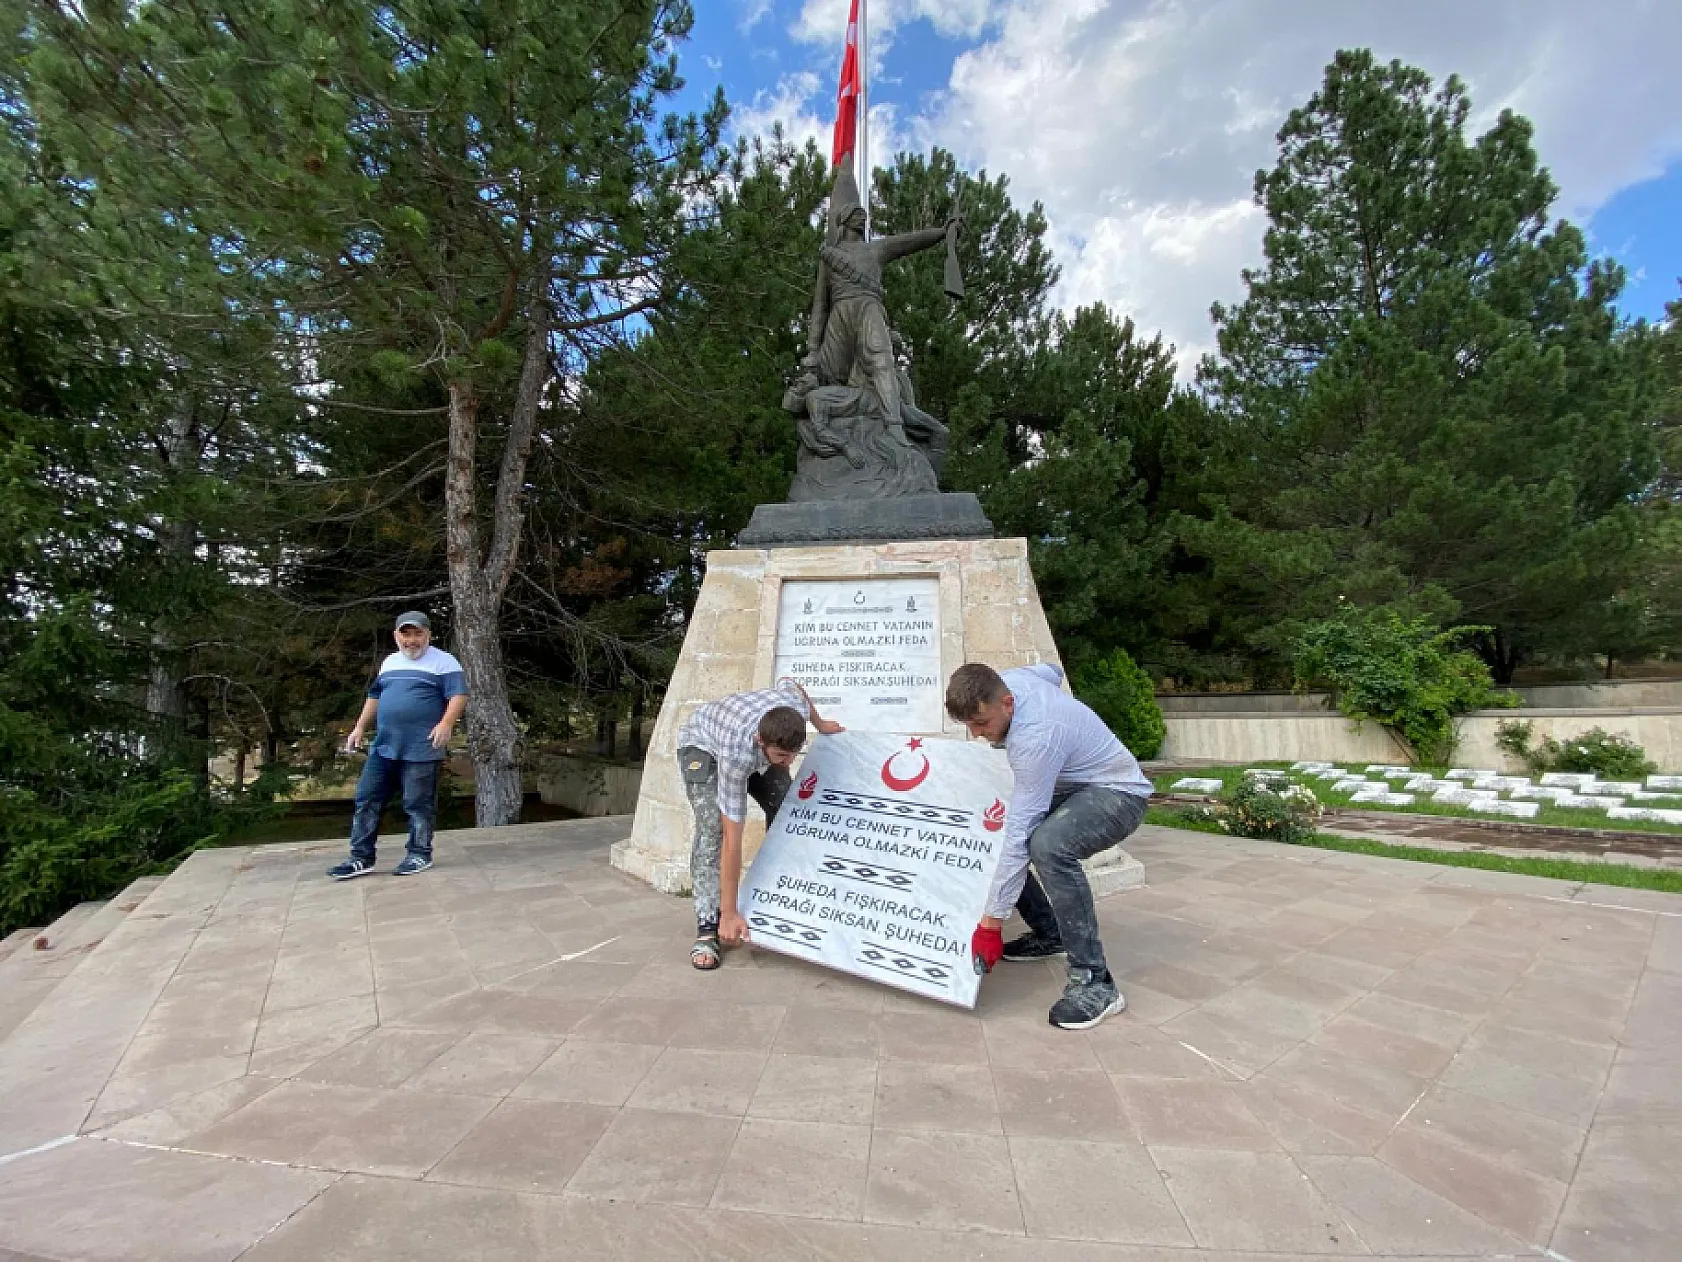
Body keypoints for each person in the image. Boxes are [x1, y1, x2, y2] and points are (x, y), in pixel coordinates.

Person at [945, 661, 1152, 1029]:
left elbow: (1022, 830)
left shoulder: (1034, 738)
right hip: (1076, 783)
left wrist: (991, 924)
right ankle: (1049, 932)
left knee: (1048, 846)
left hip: (1119, 792)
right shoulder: (1012, 681)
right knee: (996, 829)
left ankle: (1096, 982)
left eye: (982, 723)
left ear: (1007, 703)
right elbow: (1051, 670)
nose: (977, 734)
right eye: (969, 725)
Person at [676, 679, 843, 970]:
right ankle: (708, 926)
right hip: (703, 744)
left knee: (786, 808)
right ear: (760, 741)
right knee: (712, 828)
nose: (789, 762)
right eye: (782, 755)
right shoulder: (736, 754)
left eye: (794, 754)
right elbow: (732, 838)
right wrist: (729, 912)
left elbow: (794, 686)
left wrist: (822, 723)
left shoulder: (794, 710)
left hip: (750, 737)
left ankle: (776, 903)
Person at [327, 611, 467, 880]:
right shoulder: (389, 663)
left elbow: (458, 695)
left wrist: (446, 723)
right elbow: (375, 695)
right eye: (406, 634)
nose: (412, 640)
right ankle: (360, 858)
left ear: (428, 635)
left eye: (418, 634)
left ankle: (419, 853)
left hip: (422, 746)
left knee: (417, 803)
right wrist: (359, 727)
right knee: (367, 798)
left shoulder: (444, 661)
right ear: (396, 636)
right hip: (384, 745)